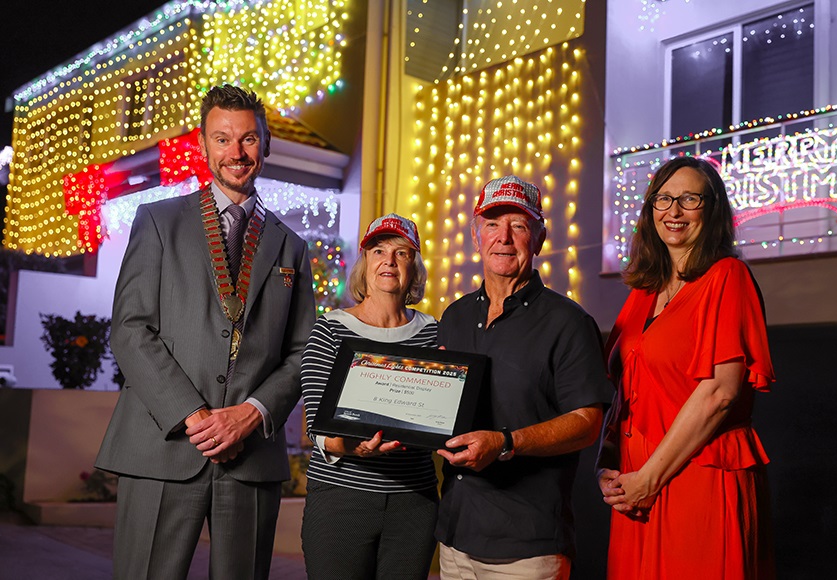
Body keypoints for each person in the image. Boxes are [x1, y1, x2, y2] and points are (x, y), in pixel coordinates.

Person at [95, 84, 316, 579]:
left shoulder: (292, 247)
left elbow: (303, 352)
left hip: (251, 454)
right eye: (222, 139)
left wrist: (250, 414)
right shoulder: (157, 222)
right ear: (203, 145)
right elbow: (130, 329)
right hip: (164, 444)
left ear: (266, 145)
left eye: (249, 139)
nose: (236, 153)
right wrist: (193, 415)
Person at [596, 156, 776, 578]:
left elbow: (720, 394)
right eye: (663, 199)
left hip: (694, 476)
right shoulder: (645, 290)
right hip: (636, 484)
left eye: (689, 199)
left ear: (712, 209)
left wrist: (649, 479)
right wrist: (606, 461)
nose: (673, 212)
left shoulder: (727, 276)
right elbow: (623, 389)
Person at [435, 175, 614, 579]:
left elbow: (588, 424)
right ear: (475, 235)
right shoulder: (455, 317)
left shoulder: (568, 322)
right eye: (493, 224)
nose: (504, 237)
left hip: (527, 548)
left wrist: (505, 443)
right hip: (455, 535)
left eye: (519, 225)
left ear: (539, 237)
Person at [300, 213, 439, 579]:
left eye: (401, 253)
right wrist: (353, 447)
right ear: (365, 263)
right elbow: (316, 426)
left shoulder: (434, 335)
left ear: (415, 266)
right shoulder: (330, 329)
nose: (389, 261)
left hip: (415, 501)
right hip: (341, 499)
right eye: (378, 251)